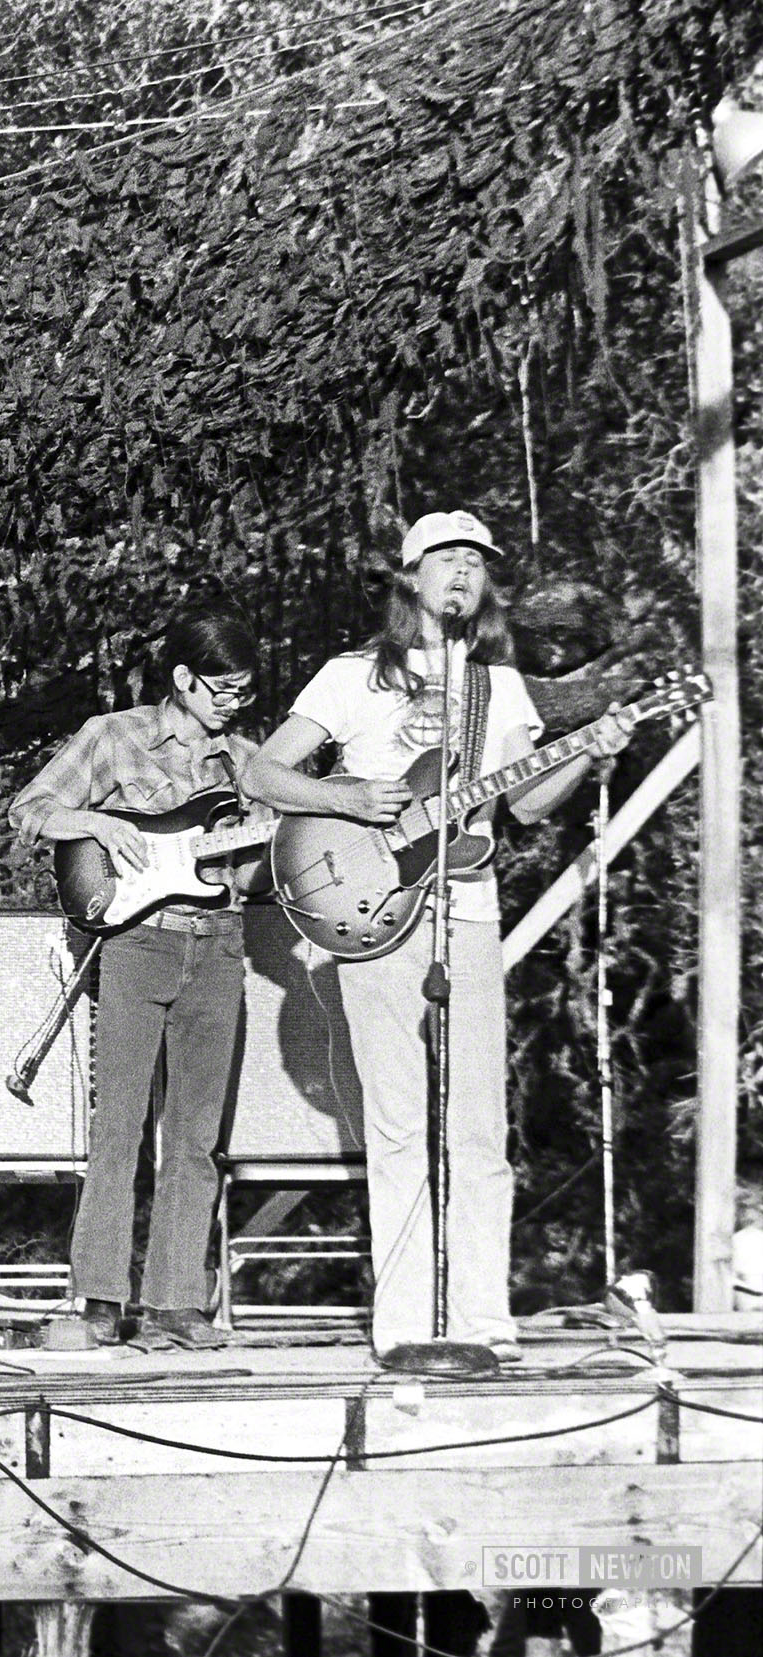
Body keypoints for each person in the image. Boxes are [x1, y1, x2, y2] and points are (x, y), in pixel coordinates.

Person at [243, 511, 631, 1360]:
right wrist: (346, 800)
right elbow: (261, 769)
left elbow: (525, 804)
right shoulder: (352, 675)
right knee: (395, 1122)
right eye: (446, 559)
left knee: (479, 1125)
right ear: (411, 576)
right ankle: (406, 1323)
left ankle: (484, 1320)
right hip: (372, 913)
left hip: (469, 909)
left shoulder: (500, 686)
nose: (461, 574)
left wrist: (589, 752)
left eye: (476, 563)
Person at [10, 610, 263, 1351]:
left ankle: (179, 1300)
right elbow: (29, 810)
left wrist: (277, 847)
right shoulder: (112, 734)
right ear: (182, 678)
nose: (233, 703)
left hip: (218, 945)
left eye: (244, 691)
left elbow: (250, 869)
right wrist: (93, 825)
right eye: (222, 688)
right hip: (134, 945)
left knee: (195, 1134)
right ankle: (99, 1298)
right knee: (116, 1127)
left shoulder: (246, 762)